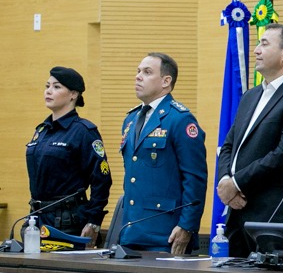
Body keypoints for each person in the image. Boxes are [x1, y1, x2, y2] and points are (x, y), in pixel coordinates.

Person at [216, 23, 283, 257]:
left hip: (276, 216)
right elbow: (229, 145)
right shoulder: (251, 95)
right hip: (238, 210)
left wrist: (236, 183)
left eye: (264, 44)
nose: (256, 50)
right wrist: (226, 180)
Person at [119, 53, 207, 254]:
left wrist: (187, 226)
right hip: (131, 231)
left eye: (147, 72)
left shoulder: (180, 119)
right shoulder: (131, 119)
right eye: (138, 71)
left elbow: (194, 179)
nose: (138, 76)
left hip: (166, 234)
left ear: (166, 81)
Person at [25, 67, 112, 246]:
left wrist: (94, 220)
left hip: (67, 221)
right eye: (47, 86)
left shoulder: (83, 131)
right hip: (37, 217)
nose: (49, 91)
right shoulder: (41, 131)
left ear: (73, 94)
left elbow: (101, 179)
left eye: (56, 87)